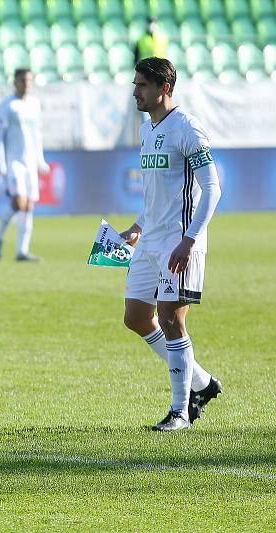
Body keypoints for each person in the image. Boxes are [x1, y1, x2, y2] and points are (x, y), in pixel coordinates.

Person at [121, 57, 222, 432]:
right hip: (151, 240)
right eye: (135, 84)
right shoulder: (148, 130)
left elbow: (213, 188)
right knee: (135, 317)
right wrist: (137, 226)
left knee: (170, 320)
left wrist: (190, 239)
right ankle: (202, 382)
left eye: (142, 85)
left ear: (164, 88)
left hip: (179, 244)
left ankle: (181, 411)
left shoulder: (188, 129)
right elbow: (155, 196)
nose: (135, 92)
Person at [0, 68, 49, 262]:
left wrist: (40, 160)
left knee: (29, 206)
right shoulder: (8, 105)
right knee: (18, 202)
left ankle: (21, 251)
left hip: (30, 162)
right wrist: (1, 162)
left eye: (29, 80)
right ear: (15, 82)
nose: (27, 84)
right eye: (23, 80)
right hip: (14, 161)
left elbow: (37, 134)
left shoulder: (34, 104)